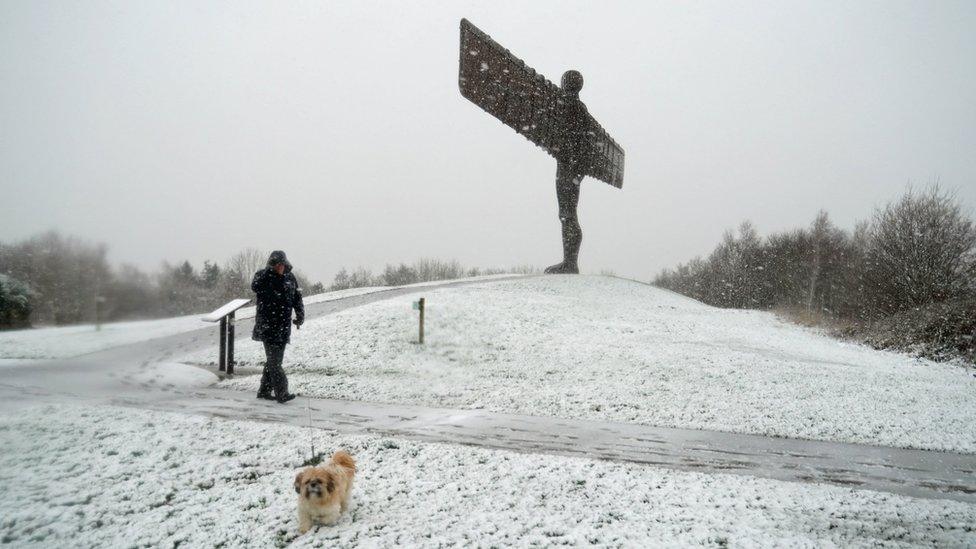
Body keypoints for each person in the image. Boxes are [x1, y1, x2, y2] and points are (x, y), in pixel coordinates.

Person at [251, 250, 304, 403]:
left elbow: (297, 298)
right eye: (277, 265)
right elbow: (255, 286)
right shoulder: (262, 276)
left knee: (273, 361)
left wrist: (300, 315)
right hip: (267, 327)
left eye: (282, 264)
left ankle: (264, 391)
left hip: (283, 327)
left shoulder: (290, 278)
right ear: (272, 264)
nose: (280, 268)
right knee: (275, 362)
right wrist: (268, 272)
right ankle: (282, 392)